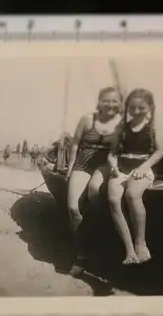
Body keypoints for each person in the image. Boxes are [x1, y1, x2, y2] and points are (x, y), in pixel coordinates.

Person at [65, 86, 123, 274]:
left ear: (120, 103)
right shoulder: (87, 119)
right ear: (99, 101)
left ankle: (98, 235)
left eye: (115, 101)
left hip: (105, 164)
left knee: (94, 193)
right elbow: (75, 144)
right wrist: (70, 168)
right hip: (82, 164)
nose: (110, 104)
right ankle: (81, 255)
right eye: (106, 100)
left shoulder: (122, 124)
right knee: (73, 209)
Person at [107, 88, 163, 265]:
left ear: (150, 108)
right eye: (132, 108)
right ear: (127, 108)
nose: (136, 112)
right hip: (121, 169)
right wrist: (113, 167)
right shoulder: (121, 128)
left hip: (142, 169)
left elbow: (160, 151)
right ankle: (129, 250)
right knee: (113, 200)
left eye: (141, 108)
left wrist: (144, 166)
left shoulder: (153, 129)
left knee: (132, 195)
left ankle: (141, 243)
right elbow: (112, 153)